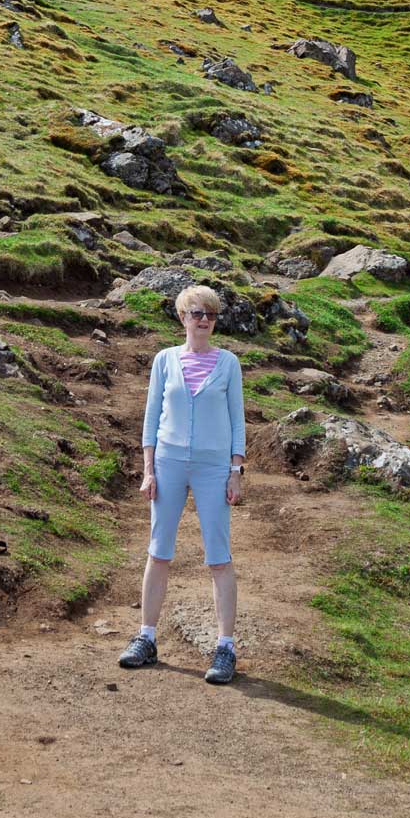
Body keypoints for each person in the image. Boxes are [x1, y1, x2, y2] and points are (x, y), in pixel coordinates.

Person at [118, 283, 246, 685]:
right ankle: (146, 637)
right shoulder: (164, 360)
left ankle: (225, 647)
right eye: (196, 313)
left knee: (218, 556)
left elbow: (238, 421)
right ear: (182, 318)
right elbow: (151, 416)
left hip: (212, 468)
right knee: (158, 551)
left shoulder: (228, 364)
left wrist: (235, 470)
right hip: (169, 463)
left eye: (209, 313)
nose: (203, 320)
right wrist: (148, 470)